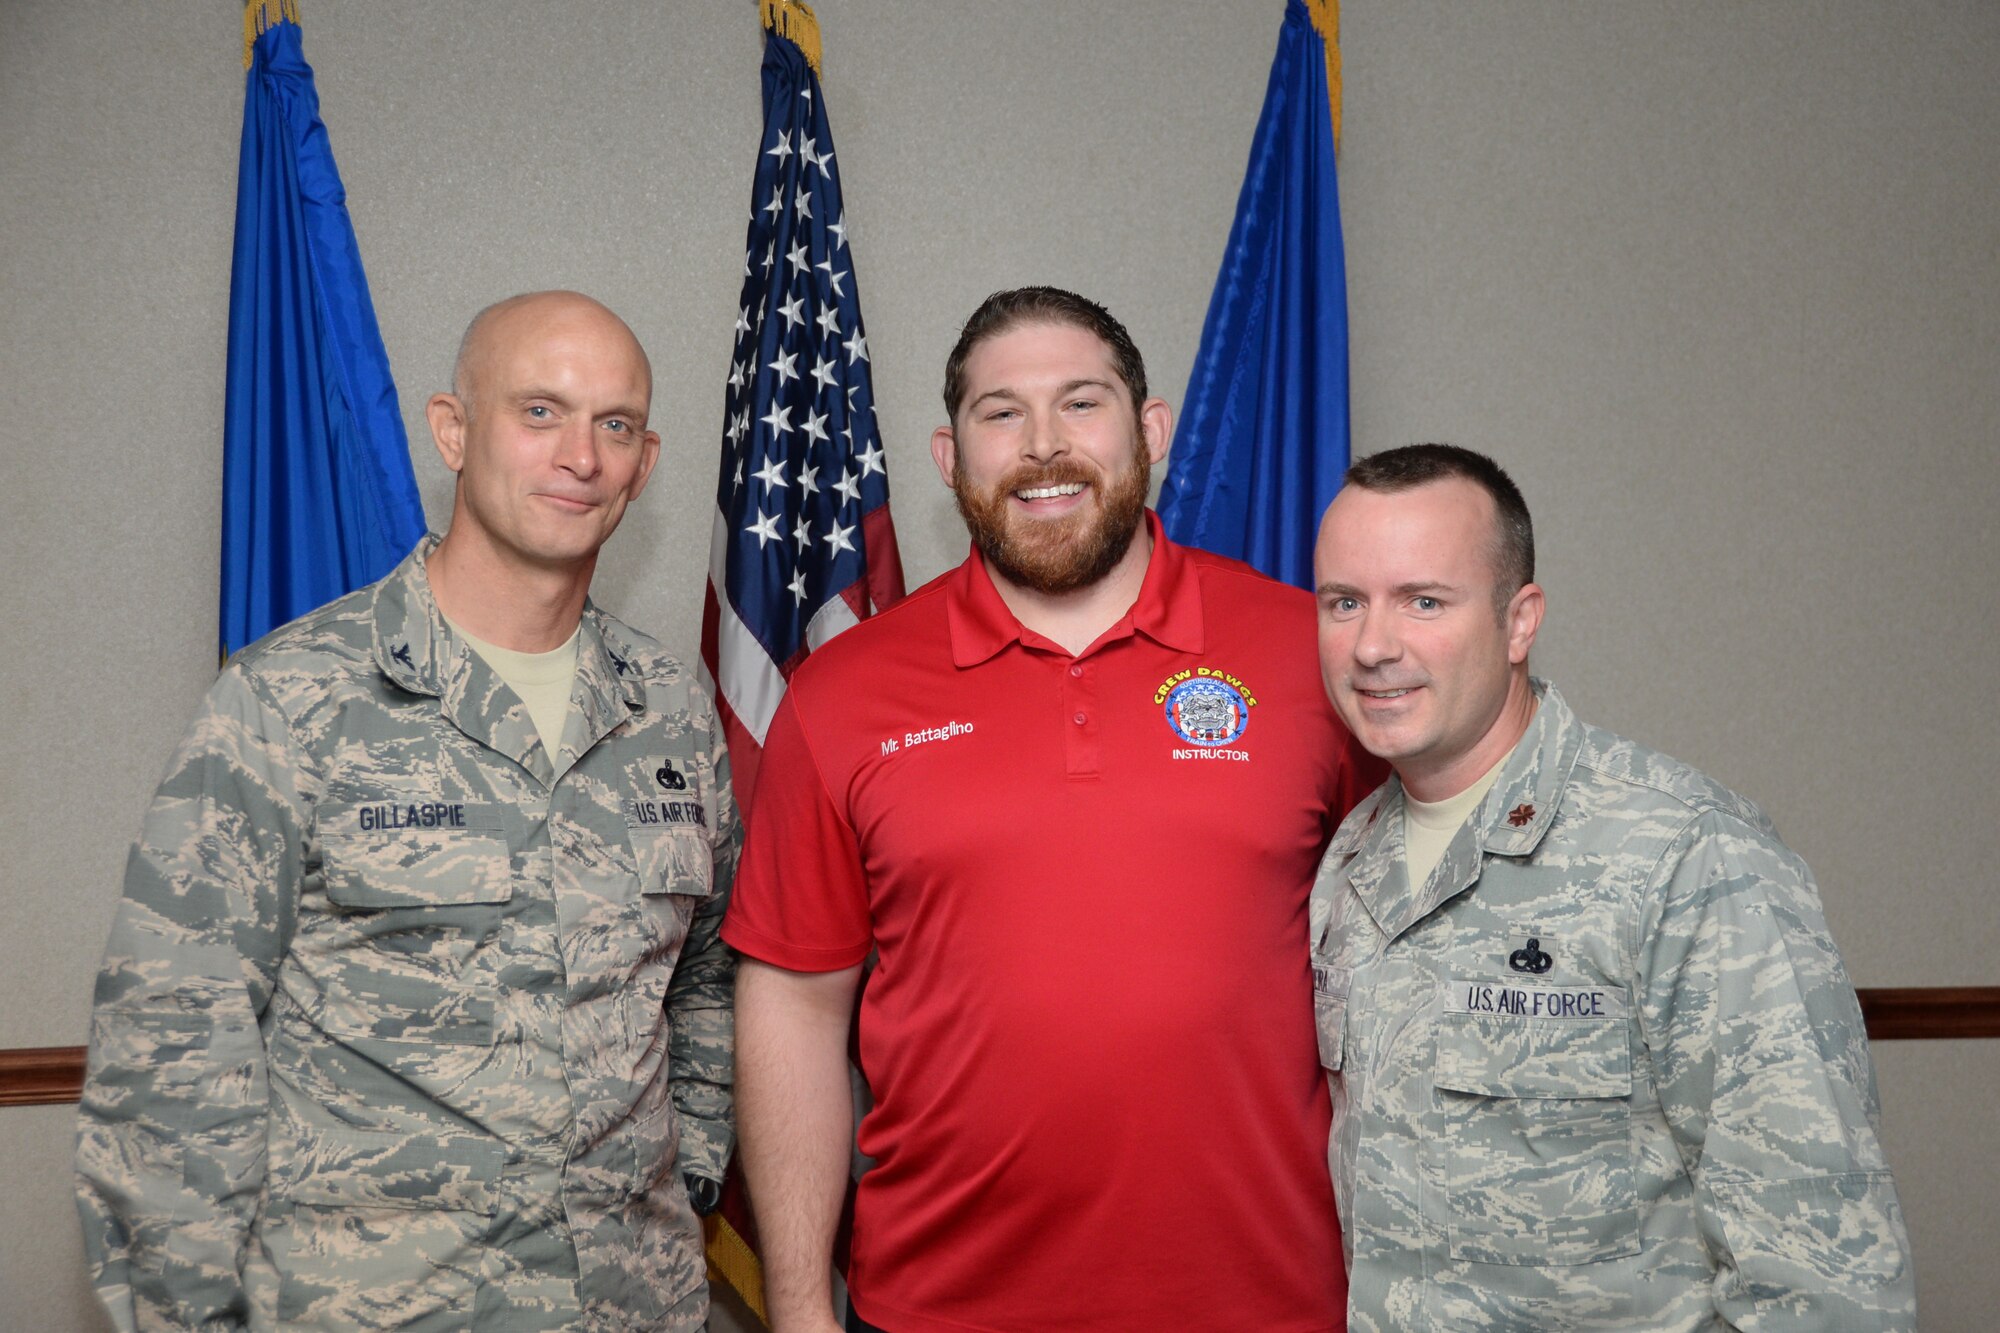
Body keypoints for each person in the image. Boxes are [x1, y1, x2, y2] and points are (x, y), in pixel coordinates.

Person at [74, 291, 740, 1331]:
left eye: (615, 425)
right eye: (538, 412)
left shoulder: (669, 710)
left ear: (644, 464)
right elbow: (170, 1046)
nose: (581, 456)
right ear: (452, 431)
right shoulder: (292, 697)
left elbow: (705, 974)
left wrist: (690, 1172)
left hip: (630, 1303)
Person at [724, 286, 1386, 1333]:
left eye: (1081, 403)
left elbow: (1412, 957)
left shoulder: (1308, 657)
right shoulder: (843, 694)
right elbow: (796, 1009)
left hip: (1268, 1304)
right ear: (949, 458)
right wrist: (803, 1315)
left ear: (1149, 430)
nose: (1042, 445)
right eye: (1000, 413)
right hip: (938, 1308)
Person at [1307, 443, 1915, 1330]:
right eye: (1344, 602)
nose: (1373, 645)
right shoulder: (1349, 866)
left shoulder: (1687, 855)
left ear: (1520, 622)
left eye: (1424, 601)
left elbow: (1827, 1279)